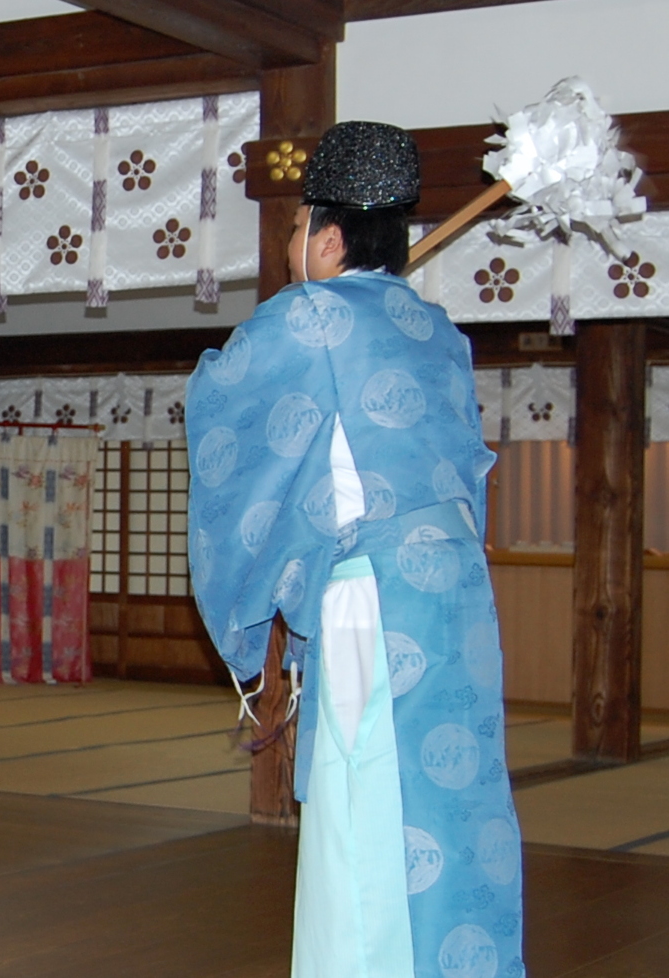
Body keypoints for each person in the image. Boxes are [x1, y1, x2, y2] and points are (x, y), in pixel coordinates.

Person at [184, 121, 521, 978]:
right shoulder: (436, 328)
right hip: (454, 588)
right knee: (454, 796)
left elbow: (228, 402)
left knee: (368, 800)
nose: (292, 246)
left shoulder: (308, 316)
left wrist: (209, 370)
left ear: (330, 238)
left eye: (297, 228)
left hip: (374, 594)